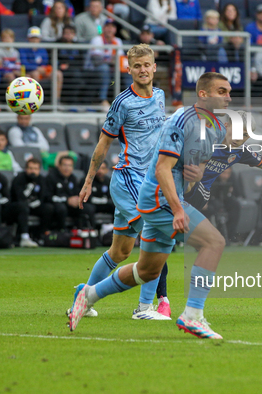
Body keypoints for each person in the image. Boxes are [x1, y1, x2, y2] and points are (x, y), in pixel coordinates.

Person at [69, 72, 230, 339]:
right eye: (222, 91)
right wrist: (178, 209)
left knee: (146, 271)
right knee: (214, 242)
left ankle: (87, 294)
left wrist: (198, 172)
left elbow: (198, 167)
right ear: (203, 94)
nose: (228, 97)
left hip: (170, 196)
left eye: (229, 91)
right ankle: (192, 315)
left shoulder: (217, 128)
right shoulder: (182, 119)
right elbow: (162, 168)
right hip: (158, 198)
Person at [71, 44, 170, 321]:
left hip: (149, 182)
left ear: (153, 67)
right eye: (136, 66)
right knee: (157, 233)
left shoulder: (161, 96)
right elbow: (103, 144)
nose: (142, 70)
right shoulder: (122, 103)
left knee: (120, 251)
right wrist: (88, 181)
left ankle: (83, 298)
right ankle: (144, 308)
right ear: (129, 69)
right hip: (128, 179)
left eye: (146, 64)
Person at [0, 151, 39, 248]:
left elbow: (7, 198)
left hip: (2, 209)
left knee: (21, 206)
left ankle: (24, 237)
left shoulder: (2, 178)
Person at [85, 19, 127, 109]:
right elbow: (96, 60)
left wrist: (110, 60)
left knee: (127, 70)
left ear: (115, 30)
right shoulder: (97, 39)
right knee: (104, 68)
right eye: (108, 26)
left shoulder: (117, 41)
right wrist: (112, 60)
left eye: (112, 27)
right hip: (92, 69)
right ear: (103, 28)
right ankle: (102, 100)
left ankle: (131, 100)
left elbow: (121, 59)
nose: (110, 29)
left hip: (111, 69)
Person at [47, 155, 95, 230]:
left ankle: (89, 232)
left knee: (88, 208)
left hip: (71, 206)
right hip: (58, 205)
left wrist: (77, 199)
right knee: (61, 209)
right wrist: (67, 200)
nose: (67, 168)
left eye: (70, 166)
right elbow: (48, 197)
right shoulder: (51, 177)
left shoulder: (73, 178)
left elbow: (77, 192)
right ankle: (62, 232)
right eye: (64, 165)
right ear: (59, 166)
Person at [11, 157, 55, 235]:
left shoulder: (42, 180)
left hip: (35, 206)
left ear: (39, 170)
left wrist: (34, 204)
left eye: (35, 169)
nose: (33, 171)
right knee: (23, 206)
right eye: (30, 168)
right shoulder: (19, 178)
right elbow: (18, 197)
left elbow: (42, 197)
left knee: (49, 208)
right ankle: (24, 235)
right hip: (20, 206)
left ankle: (40, 235)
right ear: (26, 169)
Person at [20, 27, 63, 101]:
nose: (34, 40)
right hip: (29, 72)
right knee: (35, 74)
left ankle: (56, 100)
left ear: (39, 39)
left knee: (58, 74)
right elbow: (24, 64)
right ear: (28, 38)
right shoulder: (23, 49)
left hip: (42, 72)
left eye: (36, 38)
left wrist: (42, 69)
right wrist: (36, 68)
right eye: (32, 38)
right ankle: (34, 101)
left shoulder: (42, 49)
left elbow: (45, 62)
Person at [58, 24, 85, 103]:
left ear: (74, 34)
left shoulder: (78, 46)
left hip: (74, 69)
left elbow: (80, 61)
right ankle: (72, 102)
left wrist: (69, 65)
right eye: (66, 33)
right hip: (62, 70)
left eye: (70, 33)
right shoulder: (58, 44)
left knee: (77, 75)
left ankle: (76, 102)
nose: (68, 35)